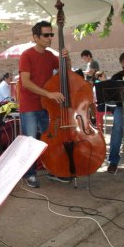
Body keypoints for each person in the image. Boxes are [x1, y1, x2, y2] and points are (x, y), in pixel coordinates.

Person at [18, 20, 72, 188]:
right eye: (46, 35)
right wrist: (48, 93)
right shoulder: (26, 55)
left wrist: (67, 58)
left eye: (51, 34)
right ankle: (30, 174)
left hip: (46, 105)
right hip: (29, 105)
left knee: (51, 140)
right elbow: (25, 82)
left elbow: (66, 71)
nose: (50, 38)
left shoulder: (50, 56)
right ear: (36, 37)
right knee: (31, 141)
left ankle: (53, 170)